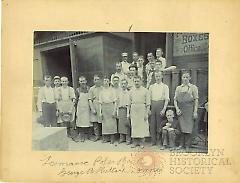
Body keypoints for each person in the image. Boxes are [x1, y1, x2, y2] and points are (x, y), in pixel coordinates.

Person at [174, 71, 199, 152]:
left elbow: (196, 100)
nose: (185, 79)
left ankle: (187, 145)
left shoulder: (193, 87)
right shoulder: (179, 88)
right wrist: (177, 109)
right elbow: (175, 100)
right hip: (181, 110)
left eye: (187, 77)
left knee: (188, 128)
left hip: (189, 110)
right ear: (181, 78)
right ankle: (181, 145)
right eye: (184, 77)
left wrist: (195, 111)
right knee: (181, 127)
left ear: (190, 78)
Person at [149, 71, 169, 146]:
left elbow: (167, 99)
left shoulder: (165, 86)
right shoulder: (152, 87)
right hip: (153, 105)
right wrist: (149, 109)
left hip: (160, 104)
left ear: (162, 77)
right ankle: (153, 140)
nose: (157, 78)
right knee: (152, 124)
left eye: (159, 76)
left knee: (159, 124)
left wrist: (164, 109)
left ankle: (159, 141)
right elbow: (149, 98)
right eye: (156, 76)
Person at [129, 75, 150, 148]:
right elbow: (129, 103)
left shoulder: (145, 91)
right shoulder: (131, 91)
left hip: (142, 108)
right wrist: (129, 113)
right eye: (135, 81)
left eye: (138, 81)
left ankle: (142, 142)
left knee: (142, 126)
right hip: (134, 109)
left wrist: (146, 113)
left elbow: (148, 104)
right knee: (134, 125)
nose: (136, 83)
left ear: (141, 81)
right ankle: (135, 142)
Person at [99, 76, 118, 144]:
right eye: (104, 81)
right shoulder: (101, 91)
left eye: (107, 81)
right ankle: (106, 138)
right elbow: (100, 103)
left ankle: (112, 138)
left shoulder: (112, 90)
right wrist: (100, 112)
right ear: (103, 82)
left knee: (112, 123)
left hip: (111, 106)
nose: (106, 82)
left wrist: (114, 111)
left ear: (109, 82)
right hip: (104, 107)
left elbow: (115, 101)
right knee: (105, 123)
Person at [75, 76, 92, 142]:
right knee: (81, 122)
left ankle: (89, 136)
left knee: (88, 121)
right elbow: (76, 100)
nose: (82, 82)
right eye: (81, 81)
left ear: (86, 81)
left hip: (88, 107)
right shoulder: (77, 90)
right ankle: (82, 136)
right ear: (79, 82)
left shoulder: (89, 89)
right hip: (80, 107)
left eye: (83, 81)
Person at [88, 74, 103, 142]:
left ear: (100, 80)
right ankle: (97, 135)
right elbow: (90, 100)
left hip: (102, 105)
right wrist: (92, 109)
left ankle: (104, 135)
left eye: (98, 79)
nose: (96, 81)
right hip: (94, 104)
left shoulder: (103, 88)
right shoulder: (91, 89)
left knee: (102, 121)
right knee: (95, 122)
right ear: (93, 81)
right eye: (95, 80)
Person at [117, 79, 131, 145]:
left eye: (124, 84)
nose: (123, 85)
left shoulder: (128, 93)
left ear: (126, 84)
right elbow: (117, 103)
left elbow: (129, 104)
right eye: (122, 84)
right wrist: (117, 112)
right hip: (120, 110)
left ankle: (128, 139)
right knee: (121, 124)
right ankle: (122, 138)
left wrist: (128, 114)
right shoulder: (119, 93)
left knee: (127, 124)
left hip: (126, 109)